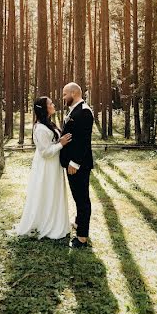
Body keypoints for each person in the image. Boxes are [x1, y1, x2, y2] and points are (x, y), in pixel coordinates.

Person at [11, 96, 73, 239]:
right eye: (50, 103)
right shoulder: (39, 128)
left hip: (54, 164)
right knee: (47, 191)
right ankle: (46, 222)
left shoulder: (49, 124)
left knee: (54, 191)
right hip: (47, 166)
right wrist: (61, 144)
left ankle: (56, 220)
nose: (53, 104)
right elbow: (45, 152)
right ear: (45, 108)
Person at [60, 82, 94, 249]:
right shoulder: (74, 110)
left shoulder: (85, 112)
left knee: (82, 200)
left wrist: (75, 162)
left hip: (78, 164)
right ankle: (79, 224)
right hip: (72, 163)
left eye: (65, 94)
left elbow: (84, 141)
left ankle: (82, 237)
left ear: (74, 93)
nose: (63, 97)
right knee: (78, 197)